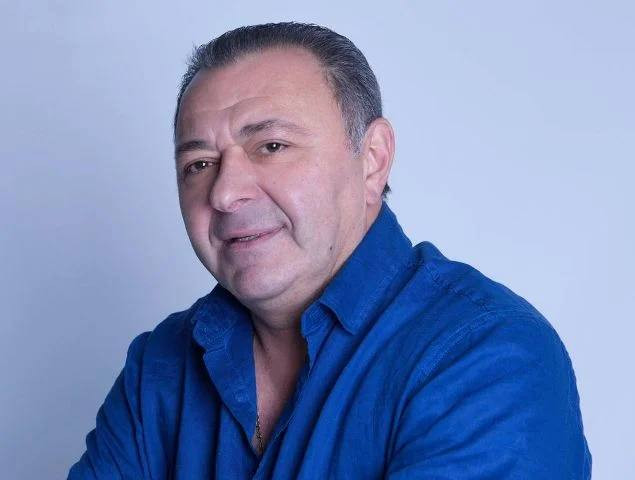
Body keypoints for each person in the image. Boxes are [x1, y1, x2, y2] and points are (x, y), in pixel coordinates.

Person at [68, 22, 592, 479]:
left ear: (373, 159)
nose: (224, 193)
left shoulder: (485, 354)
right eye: (199, 164)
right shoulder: (159, 366)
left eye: (271, 146)